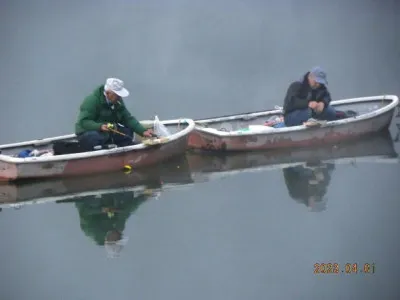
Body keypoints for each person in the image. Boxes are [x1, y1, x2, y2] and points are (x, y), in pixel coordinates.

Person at [75, 77, 154, 151]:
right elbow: (84, 122)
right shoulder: (92, 101)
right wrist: (99, 126)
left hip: (107, 131)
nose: (119, 97)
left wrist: (143, 131)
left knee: (127, 132)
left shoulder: (117, 101)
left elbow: (127, 118)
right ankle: (102, 153)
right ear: (108, 93)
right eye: (117, 95)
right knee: (94, 137)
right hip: (87, 132)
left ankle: (123, 152)